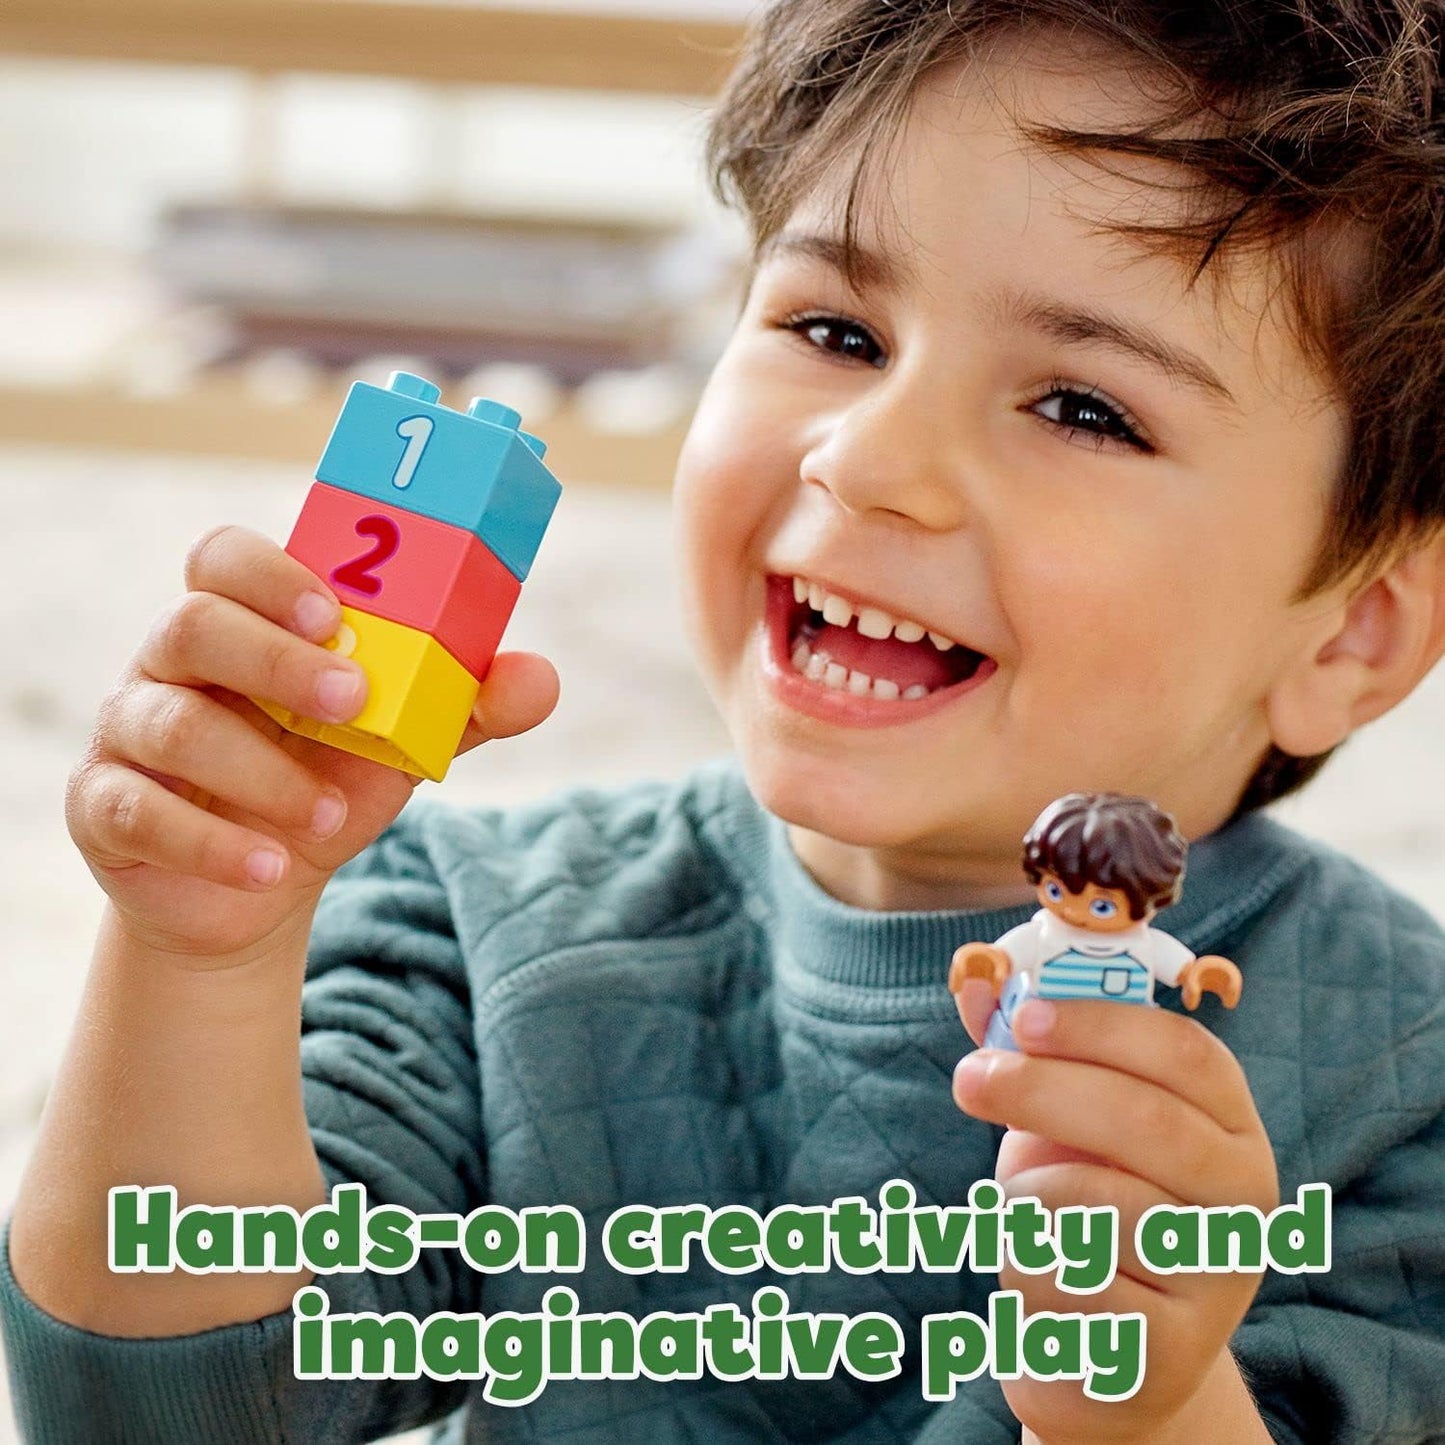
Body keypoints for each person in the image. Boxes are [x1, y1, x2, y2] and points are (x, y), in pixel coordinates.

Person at [4, 0, 1445, 1440]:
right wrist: (200, 955)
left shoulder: (1404, 1075)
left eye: (1080, 408)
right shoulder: (467, 920)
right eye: (834, 328)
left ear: (1357, 629)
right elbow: (170, 1411)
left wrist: (1154, 1403)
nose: (869, 459)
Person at [952, 792, 1245, 1048]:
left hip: (1122, 1031)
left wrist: (1196, 974)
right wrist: (991, 961)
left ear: (1152, 898)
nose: (1073, 913)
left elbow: (1181, 967)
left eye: (1102, 906)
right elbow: (1006, 956)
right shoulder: (1046, 934)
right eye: (1055, 891)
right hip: (1033, 1028)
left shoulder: (1142, 946)